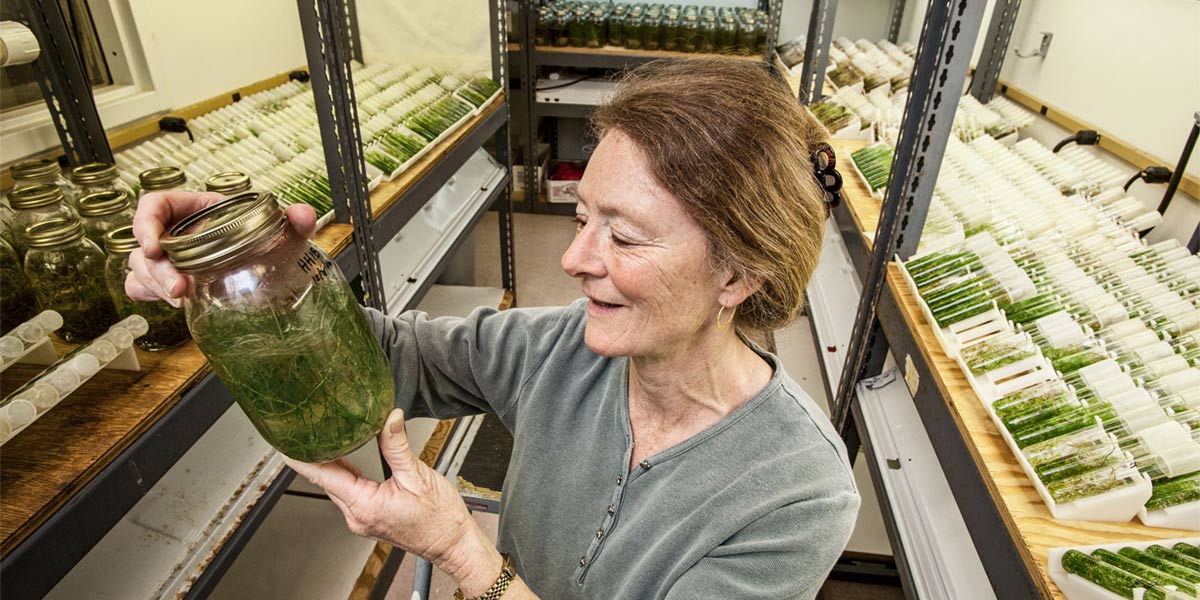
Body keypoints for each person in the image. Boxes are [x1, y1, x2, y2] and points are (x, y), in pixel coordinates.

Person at [127, 58, 859, 599]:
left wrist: (459, 550)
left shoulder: (798, 491)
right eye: (581, 220)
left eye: (625, 239)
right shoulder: (559, 350)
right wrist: (245, 272)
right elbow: (388, 356)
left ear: (735, 275)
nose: (573, 260)